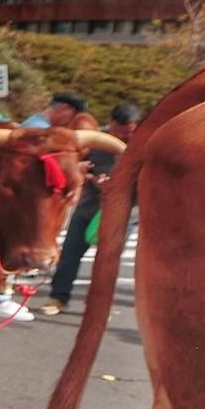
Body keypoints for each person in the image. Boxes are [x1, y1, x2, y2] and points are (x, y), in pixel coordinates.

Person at [37, 101, 142, 315]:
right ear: (111, 123)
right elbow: (70, 167)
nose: (123, 137)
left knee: (107, 262)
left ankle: (97, 306)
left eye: (129, 132)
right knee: (70, 254)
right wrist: (85, 174)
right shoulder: (93, 139)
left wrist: (121, 187)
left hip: (123, 214)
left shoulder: (144, 145)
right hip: (88, 208)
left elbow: (151, 180)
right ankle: (58, 297)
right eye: (119, 132)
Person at [21, 90, 86, 129]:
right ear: (64, 108)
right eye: (73, 115)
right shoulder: (42, 130)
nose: (72, 121)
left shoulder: (34, 121)